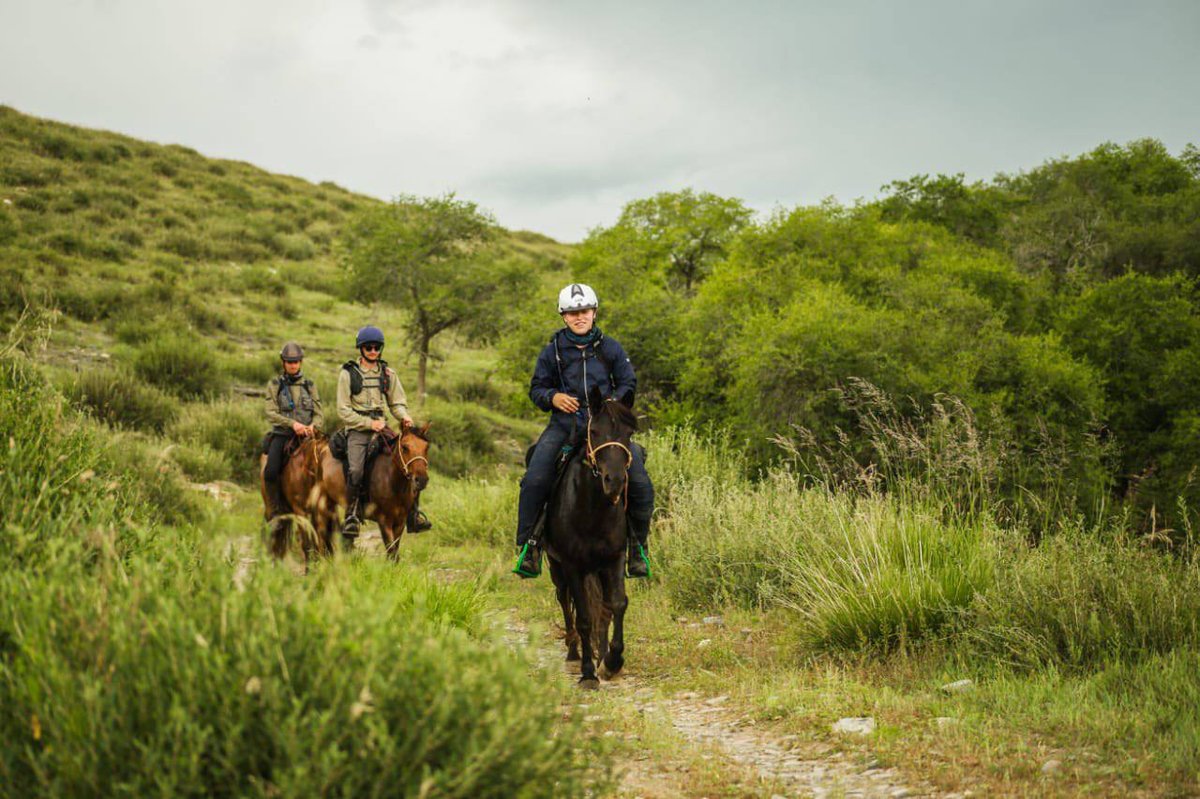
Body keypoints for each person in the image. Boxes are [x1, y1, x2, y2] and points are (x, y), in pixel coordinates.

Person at [513, 283, 654, 579]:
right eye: (573, 312)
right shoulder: (551, 351)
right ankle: (530, 546)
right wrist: (553, 397)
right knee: (536, 478)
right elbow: (537, 388)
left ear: (594, 313)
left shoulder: (611, 348)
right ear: (564, 316)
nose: (580, 317)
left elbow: (628, 382)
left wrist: (613, 404)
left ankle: (637, 547)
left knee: (640, 482)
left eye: (585, 311)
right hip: (565, 426)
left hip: (606, 430)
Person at [336, 325, 430, 547]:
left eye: (376, 347)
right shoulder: (348, 374)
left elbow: (396, 403)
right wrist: (369, 423)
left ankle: (413, 514)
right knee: (356, 469)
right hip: (358, 429)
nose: (372, 351)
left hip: (383, 427)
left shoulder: (388, 374)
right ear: (361, 348)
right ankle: (351, 515)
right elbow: (343, 410)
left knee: (409, 463)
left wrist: (405, 417)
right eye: (368, 347)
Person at [262, 341, 324, 531]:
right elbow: (270, 412)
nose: (293, 365)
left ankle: (328, 509)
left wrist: (314, 426)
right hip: (283, 435)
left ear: (300, 362)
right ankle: (275, 510)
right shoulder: (275, 385)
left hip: (308, 437)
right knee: (270, 471)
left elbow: (319, 412)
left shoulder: (310, 385)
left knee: (328, 467)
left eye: (296, 361)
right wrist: (293, 424)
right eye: (289, 362)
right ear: (283, 362)